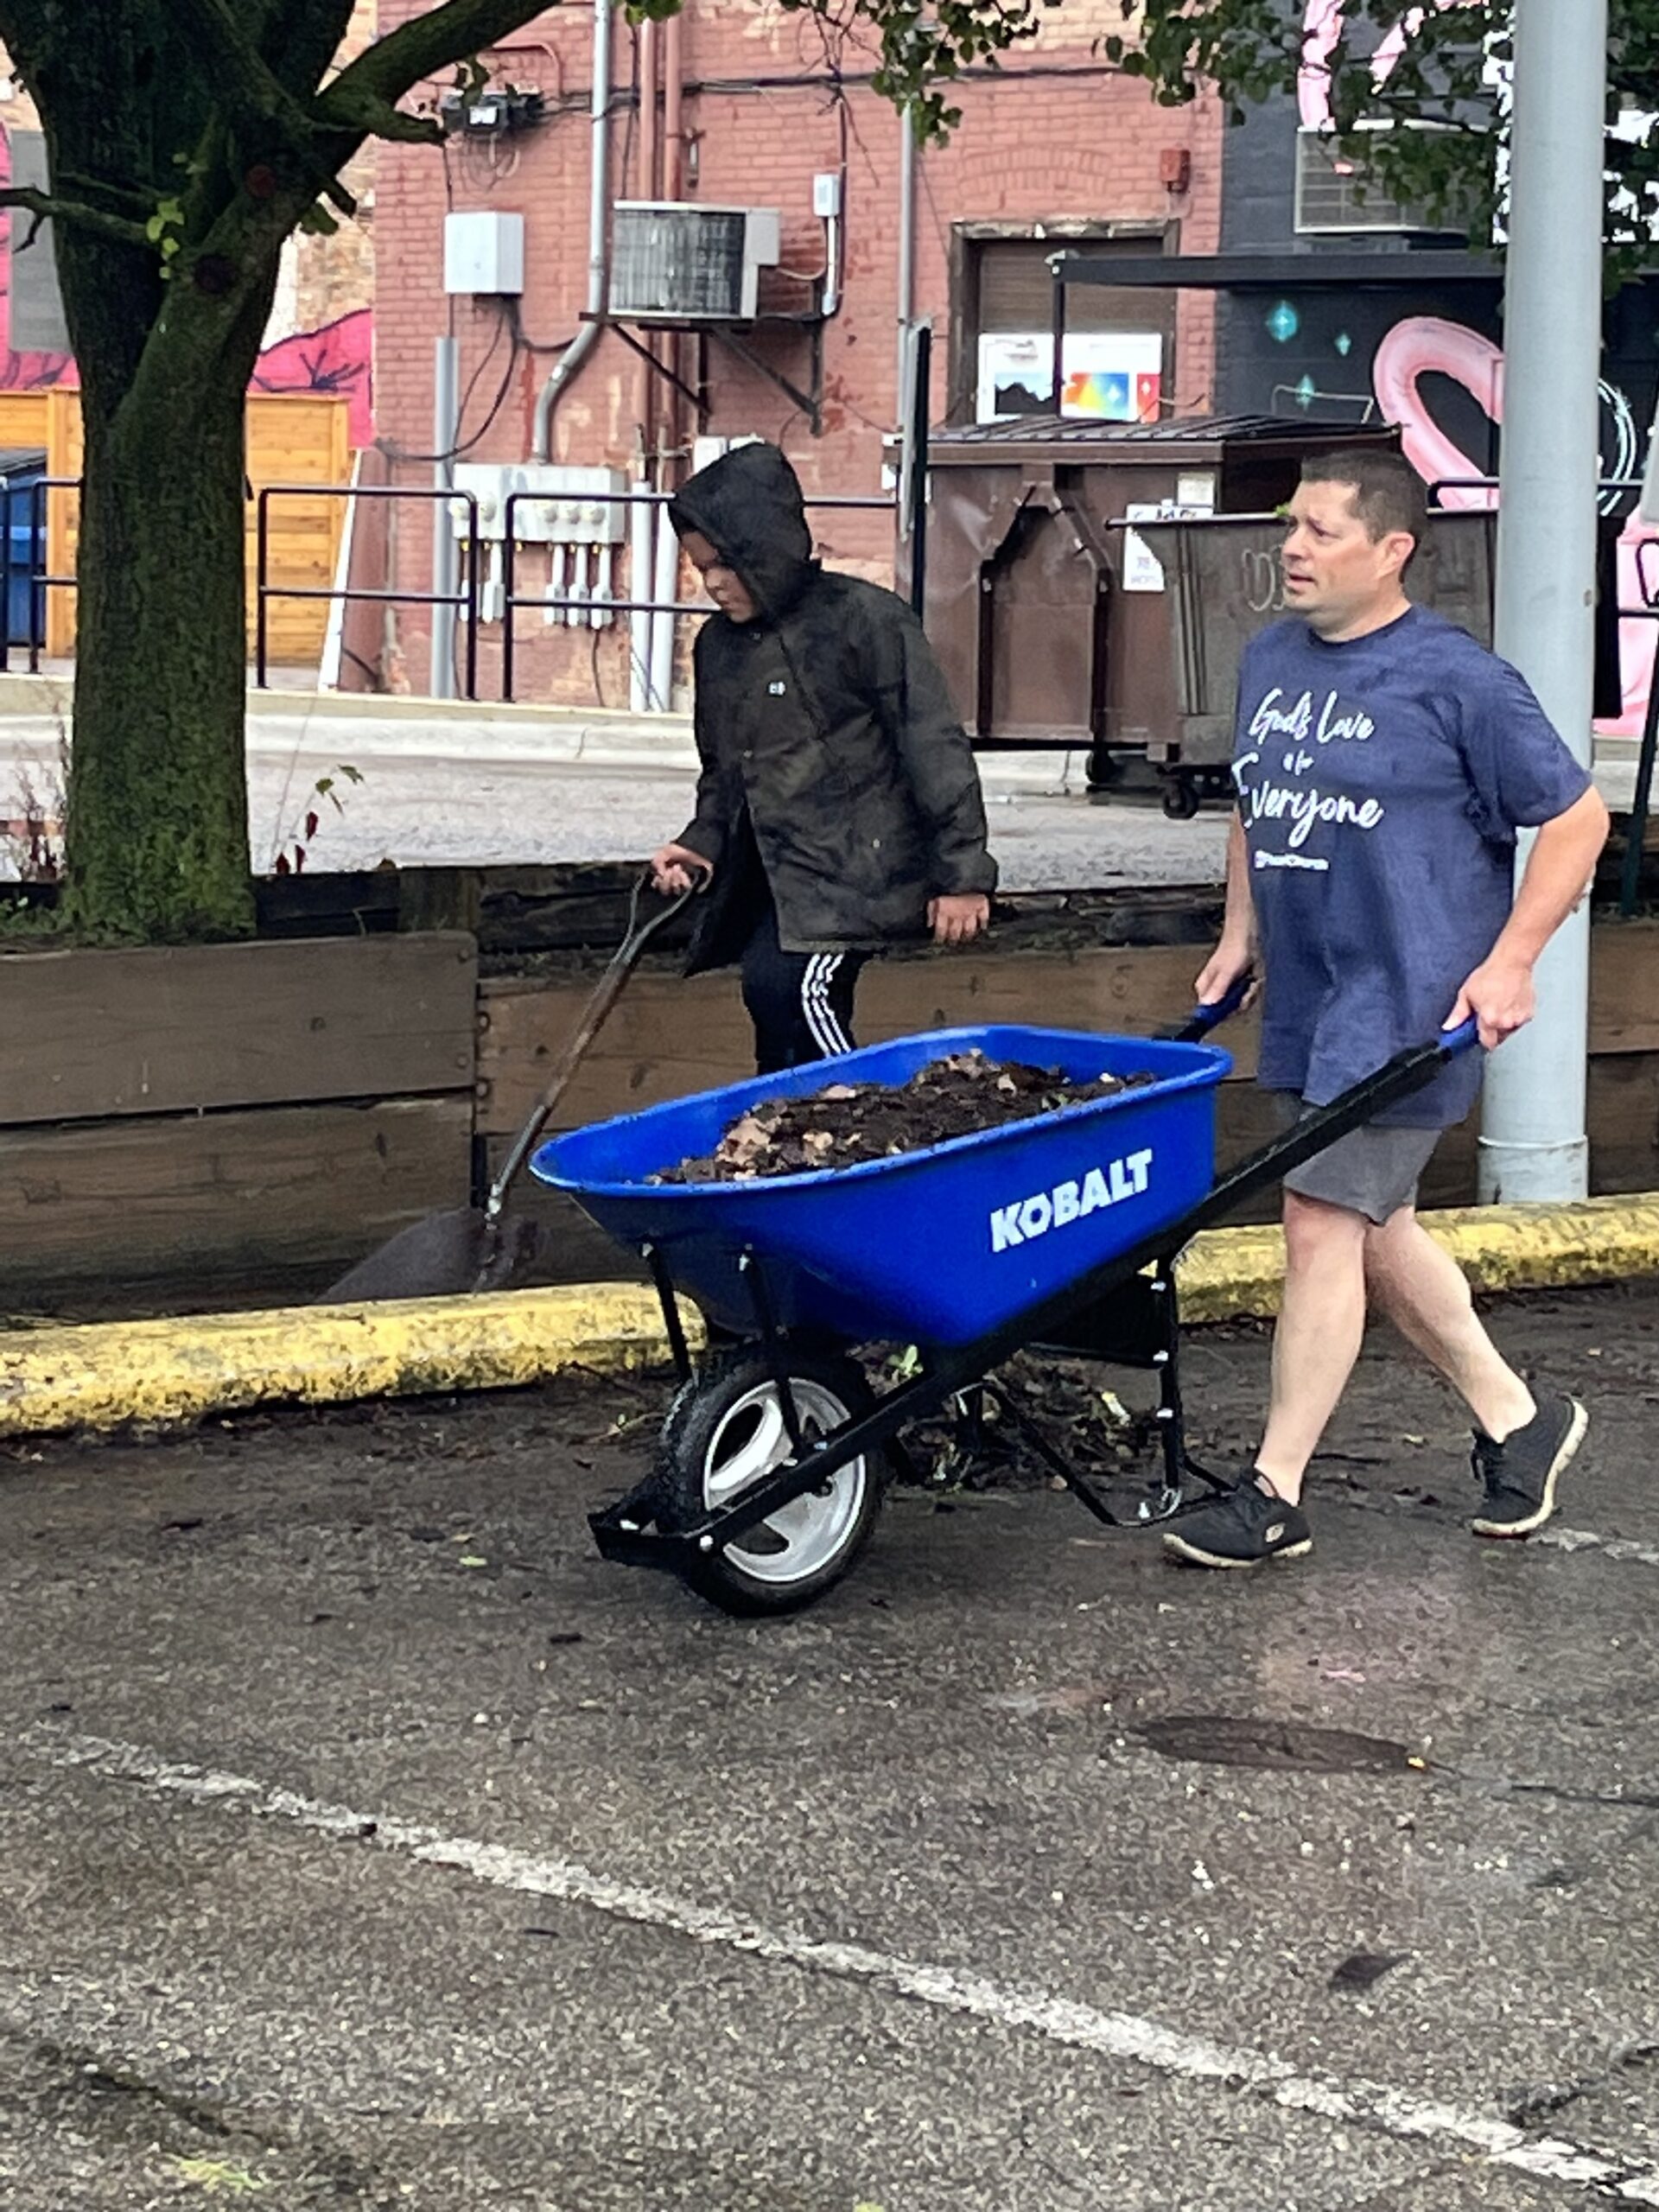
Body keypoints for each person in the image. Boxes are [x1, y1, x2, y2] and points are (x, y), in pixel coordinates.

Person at [1164, 448, 1611, 1572]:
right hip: (1315, 994)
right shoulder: (1271, 659)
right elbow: (1253, 805)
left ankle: (1275, 1492)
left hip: (1414, 1004)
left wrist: (1512, 963)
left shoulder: (1459, 681)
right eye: (1293, 526)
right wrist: (1240, 933)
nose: (1293, 548)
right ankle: (1519, 1417)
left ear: (1393, 549)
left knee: (1319, 1223)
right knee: (1373, 1227)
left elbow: (1576, 821)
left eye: (1321, 531)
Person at [648, 441, 995, 1074]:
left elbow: (933, 746)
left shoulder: (864, 621)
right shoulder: (718, 649)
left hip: (860, 874)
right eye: (701, 569)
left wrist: (963, 876)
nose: (714, 583)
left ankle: (863, 1119)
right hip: (786, 881)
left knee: (800, 992)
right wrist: (701, 842)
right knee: (767, 990)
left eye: (726, 563)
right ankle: (787, 1128)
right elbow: (724, 773)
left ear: (768, 547)